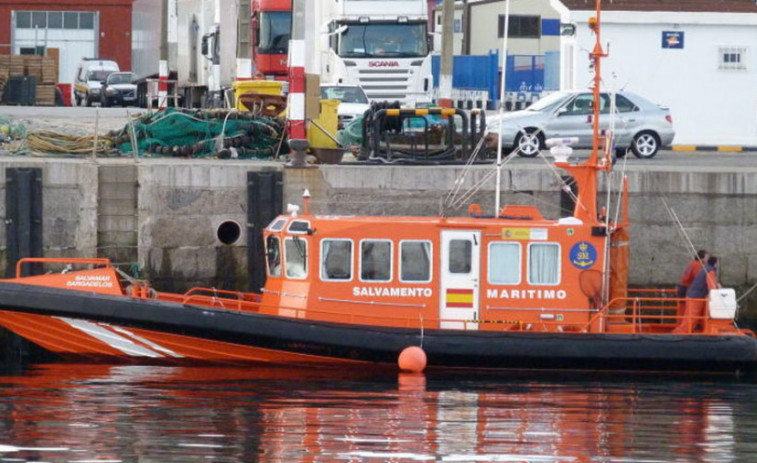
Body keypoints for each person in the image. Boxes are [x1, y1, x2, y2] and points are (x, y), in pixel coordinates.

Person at [674, 256, 720, 334]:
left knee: (691, 317)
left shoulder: (704, 269)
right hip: (696, 296)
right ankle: (680, 333)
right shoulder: (710, 271)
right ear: (715, 263)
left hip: (693, 294)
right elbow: (711, 285)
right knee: (691, 317)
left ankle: (683, 331)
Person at [676, 249, 708, 315]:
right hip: (686, 288)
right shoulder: (698, 265)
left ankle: (680, 323)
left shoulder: (693, 263)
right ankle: (684, 324)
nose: (707, 260)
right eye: (707, 257)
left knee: (682, 307)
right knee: (686, 308)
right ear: (702, 258)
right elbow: (698, 278)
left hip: (682, 286)